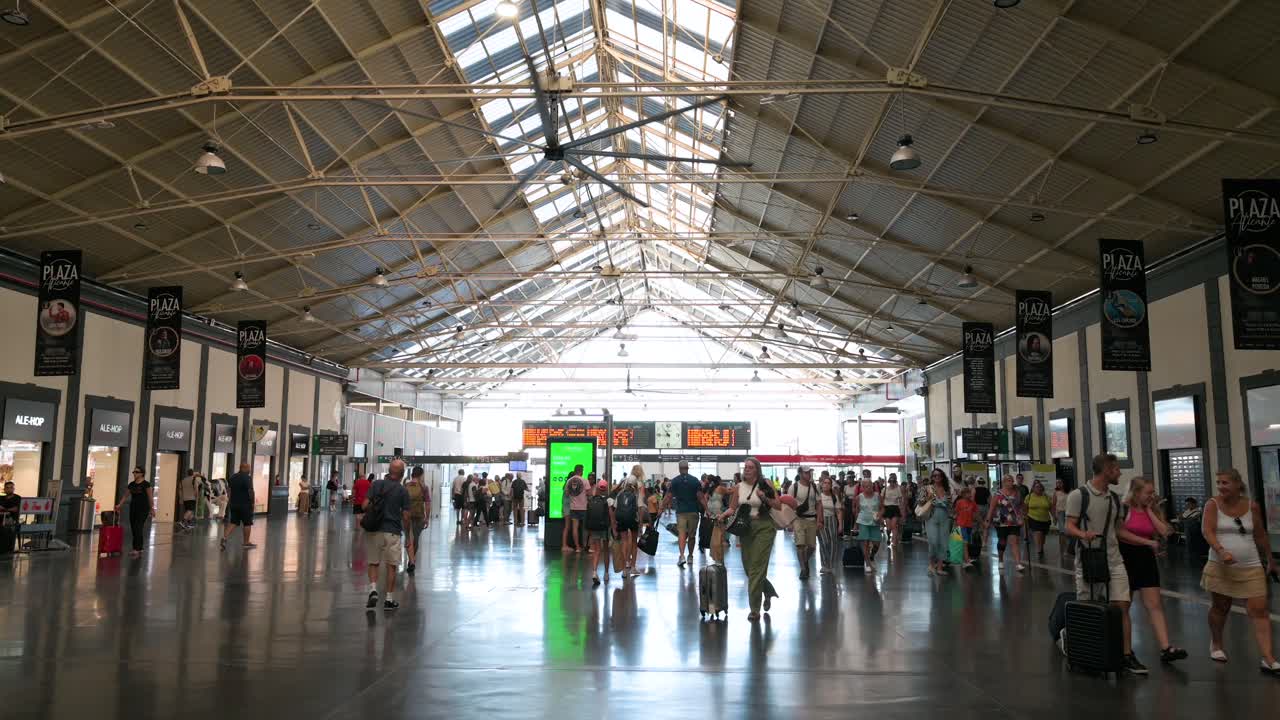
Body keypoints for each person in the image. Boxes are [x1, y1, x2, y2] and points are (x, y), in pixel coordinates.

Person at [1065, 453, 1146, 675]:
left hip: (1114, 559)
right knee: (1088, 605)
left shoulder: (1115, 499)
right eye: (1117, 469)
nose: (1120, 473)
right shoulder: (1078, 495)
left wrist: (1146, 542)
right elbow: (1069, 525)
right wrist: (1083, 534)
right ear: (1107, 470)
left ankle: (1126, 654)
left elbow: (1118, 530)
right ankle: (1084, 652)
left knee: (1122, 606)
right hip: (1089, 558)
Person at [1201, 468, 1279, 674]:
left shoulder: (1252, 506)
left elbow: (1261, 535)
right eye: (1218, 482)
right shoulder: (1213, 504)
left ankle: (1268, 658)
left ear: (1237, 484)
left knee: (1259, 610)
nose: (1220, 486)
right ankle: (1216, 643)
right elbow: (1207, 531)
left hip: (1251, 565)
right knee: (1221, 607)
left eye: (1225, 483)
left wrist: (1270, 559)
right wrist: (1221, 551)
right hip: (1220, 566)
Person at [1118, 475, 1188, 664]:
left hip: (1146, 559)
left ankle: (1166, 647)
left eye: (1152, 492)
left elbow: (1165, 531)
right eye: (1148, 493)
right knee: (1124, 606)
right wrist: (1147, 541)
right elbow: (1119, 533)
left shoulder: (1152, 510)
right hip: (1125, 558)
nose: (1152, 495)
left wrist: (1149, 509)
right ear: (1136, 493)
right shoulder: (1124, 509)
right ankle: (1125, 651)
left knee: (1155, 605)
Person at [718, 457, 781, 621]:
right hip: (745, 528)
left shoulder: (765, 483)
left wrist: (764, 497)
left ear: (757, 469)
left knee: (756, 568)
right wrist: (722, 515)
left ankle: (754, 609)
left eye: (750, 467)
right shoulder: (739, 487)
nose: (746, 470)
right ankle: (767, 590)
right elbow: (732, 508)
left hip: (764, 527)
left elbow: (778, 504)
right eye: (745, 467)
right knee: (748, 567)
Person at [364, 459, 412, 612]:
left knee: (373, 562)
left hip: (374, 530)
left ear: (389, 471)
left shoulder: (376, 484)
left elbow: (364, 505)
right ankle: (389, 600)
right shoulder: (403, 491)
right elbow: (406, 516)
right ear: (402, 474)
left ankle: (373, 590)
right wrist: (408, 536)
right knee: (391, 566)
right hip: (393, 531)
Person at [663, 460, 704, 569]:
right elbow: (701, 497)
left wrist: (660, 508)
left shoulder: (675, 481)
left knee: (682, 534)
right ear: (687, 468)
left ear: (679, 468)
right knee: (692, 535)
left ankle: (682, 556)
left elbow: (668, 497)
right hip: (694, 512)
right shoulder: (695, 481)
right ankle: (690, 556)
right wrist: (707, 510)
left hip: (681, 512)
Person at [986, 474, 1026, 573]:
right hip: (1001, 521)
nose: (1010, 482)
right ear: (1003, 482)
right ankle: (1000, 559)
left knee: (1014, 541)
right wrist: (987, 521)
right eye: (1008, 481)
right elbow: (991, 508)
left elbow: (1021, 506)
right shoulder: (997, 494)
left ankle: (1018, 563)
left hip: (1014, 521)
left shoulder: (1017, 493)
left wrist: (1022, 517)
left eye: (1011, 480)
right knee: (1002, 541)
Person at [916, 470, 952, 575]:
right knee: (933, 542)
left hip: (944, 518)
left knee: (943, 543)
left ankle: (940, 567)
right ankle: (931, 565)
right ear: (932, 477)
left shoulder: (946, 489)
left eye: (939, 475)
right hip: (931, 517)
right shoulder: (927, 488)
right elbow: (919, 501)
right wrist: (929, 498)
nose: (937, 477)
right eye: (935, 475)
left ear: (942, 477)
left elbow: (950, 504)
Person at [115, 467, 153, 558]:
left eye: (136, 472)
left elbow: (150, 497)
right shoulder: (132, 484)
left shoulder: (146, 484)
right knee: (133, 527)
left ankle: (136, 548)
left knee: (138, 527)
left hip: (143, 508)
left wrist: (152, 509)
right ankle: (140, 547)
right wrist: (119, 504)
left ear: (142, 474)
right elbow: (125, 495)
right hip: (133, 507)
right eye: (134, 472)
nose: (134, 473)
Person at [585, 480, 617, 587]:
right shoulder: (608, 500)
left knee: (597, 550)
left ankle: (594, 572)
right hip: (605, 528)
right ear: (606, 488)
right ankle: (606, 573)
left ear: (598, 488)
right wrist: (614, 529)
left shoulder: (592, 500)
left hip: (594, 528)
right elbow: (611, 516)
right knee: (606, 550)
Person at [791, 466, 819, 580]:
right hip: (798, 519)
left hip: (812, 519)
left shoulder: (814, 487)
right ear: (801, 473)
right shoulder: (794, 487)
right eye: (806, 472)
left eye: (810, 472)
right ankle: (803, 568)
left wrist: (820, 519)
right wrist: (790, 521)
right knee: (800, 545)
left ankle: (805, 560)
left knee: (812, 547)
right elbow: (788, 504)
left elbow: (819, 504)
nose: (809, 474)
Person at [220, 463, 256, 551]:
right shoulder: (247, 478)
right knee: (247, 523)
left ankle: (224, 538)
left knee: (233, 522)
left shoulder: (233, 477)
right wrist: (252, 503)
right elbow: (251, 491)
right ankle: (246, 542)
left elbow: (229, 491)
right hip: (245, 505)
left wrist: (230, 501)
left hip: (234, 504)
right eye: (249, 468)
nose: (250, 470)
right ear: (244, 468)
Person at [852, 478, 883, 569]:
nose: (868, 488)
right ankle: (868, 563)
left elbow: (882, 508)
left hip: (875, 521)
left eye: (870, 485)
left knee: (877, 542)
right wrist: (855, 524)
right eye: (865, 486)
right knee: (865, 542)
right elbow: (857, 511)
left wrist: (880, 516)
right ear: (862, 487)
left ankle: (871, 555)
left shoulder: (877, 496)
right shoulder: (859, 497)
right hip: (863, 521)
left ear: (872, 485)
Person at [615, 475, 642, 577]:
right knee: (634, 542)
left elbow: (615, 507)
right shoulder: (636, 494)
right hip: (632, 520)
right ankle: (633, 567)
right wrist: (640, 522)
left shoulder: (620, 494)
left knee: (624, 541)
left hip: (621, 519)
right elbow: (639, 509)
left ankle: (625, 568)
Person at [405, 466, 430, 574]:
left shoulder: (405, 486)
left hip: (406, 516)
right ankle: (412, 559)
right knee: (416, 539)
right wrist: (427, 518)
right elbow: (427, 504)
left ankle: (411, 561)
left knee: (408, 538)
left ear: (412, 474)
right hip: (419, 516)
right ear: (421, 475)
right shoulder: (424, 487)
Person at [816, 474, 842, 575]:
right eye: (824, 483)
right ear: (821, 485)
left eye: (828, 483)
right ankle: (824, 564)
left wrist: (840, 524)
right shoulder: (819, 497)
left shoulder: (834, 497)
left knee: (833, 542)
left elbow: (839, 511)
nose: (826, 485)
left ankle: (830, 565)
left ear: (831, 485)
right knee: (824, 542)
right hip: (821, 520)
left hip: (832, 520)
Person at [705, 474, 731, 566]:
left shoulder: (710, 489)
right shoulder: (720, 488)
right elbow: (730, 491)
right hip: (719, 514)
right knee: (719, 536)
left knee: (716, 535)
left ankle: (718, 557)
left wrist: (707, 510)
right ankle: (719, 558)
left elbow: (705, 498)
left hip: (711, 514)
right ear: (718, 481)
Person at [562, 465, 586, 553]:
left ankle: (570, 545)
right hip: (568, 508)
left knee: (570, 527)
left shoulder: (567, 485)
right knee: (567, 526)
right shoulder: (570, 487)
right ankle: (564, 545)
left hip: (567, 508)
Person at [1026, 481, 1052, 558]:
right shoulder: (1029, 496)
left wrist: (1054, 516)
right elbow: (1025, 507)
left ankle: (1041, 547)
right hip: (1033, 518)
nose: (1038, 488)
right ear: (1033, 488)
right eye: (1036, 487)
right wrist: (1024, 516)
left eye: (1040, 487)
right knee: (1038, 533)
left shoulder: (1046, 496)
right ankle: (1039, 550)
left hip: (1045, 519)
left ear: (1042, 488)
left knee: (1043, 537)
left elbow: (1050, 507)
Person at [953, 486, 978, 567]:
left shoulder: (972, 503)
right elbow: (956, 513)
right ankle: (966, 560)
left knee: (967, 543)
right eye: (967, 493)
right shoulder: (959, 502)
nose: (969, 494)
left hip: (969, 525)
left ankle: (966, 558)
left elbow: (976, 513)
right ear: (963, 495)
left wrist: (981, 523)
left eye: (969, 493)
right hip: (961, 524)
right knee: (965, 542)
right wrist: (955, 524)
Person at [882, 475, 903, 546]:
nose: (892, 483)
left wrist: (902, 510)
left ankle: (894, 541)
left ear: (895, 482)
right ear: (888, 482)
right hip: (887, 508)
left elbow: (900, 500)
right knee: (888, 527)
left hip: (895, 508)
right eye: (890, 481)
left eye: (893, 481)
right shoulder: (885, 489)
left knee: (894, 525)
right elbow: (881, 500)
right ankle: (888, 537)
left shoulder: (898, 489)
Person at [177, 468, 198, 532]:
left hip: (185, 498)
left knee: (190, 511)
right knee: (190, 510)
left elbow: (180, 489)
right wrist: (196, 497)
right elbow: (196, 489)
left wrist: (181, 498)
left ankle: (189, 524)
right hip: (192, 498)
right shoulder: (194, 480)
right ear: (193, 473)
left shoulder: (183, 480)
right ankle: (183, 521)